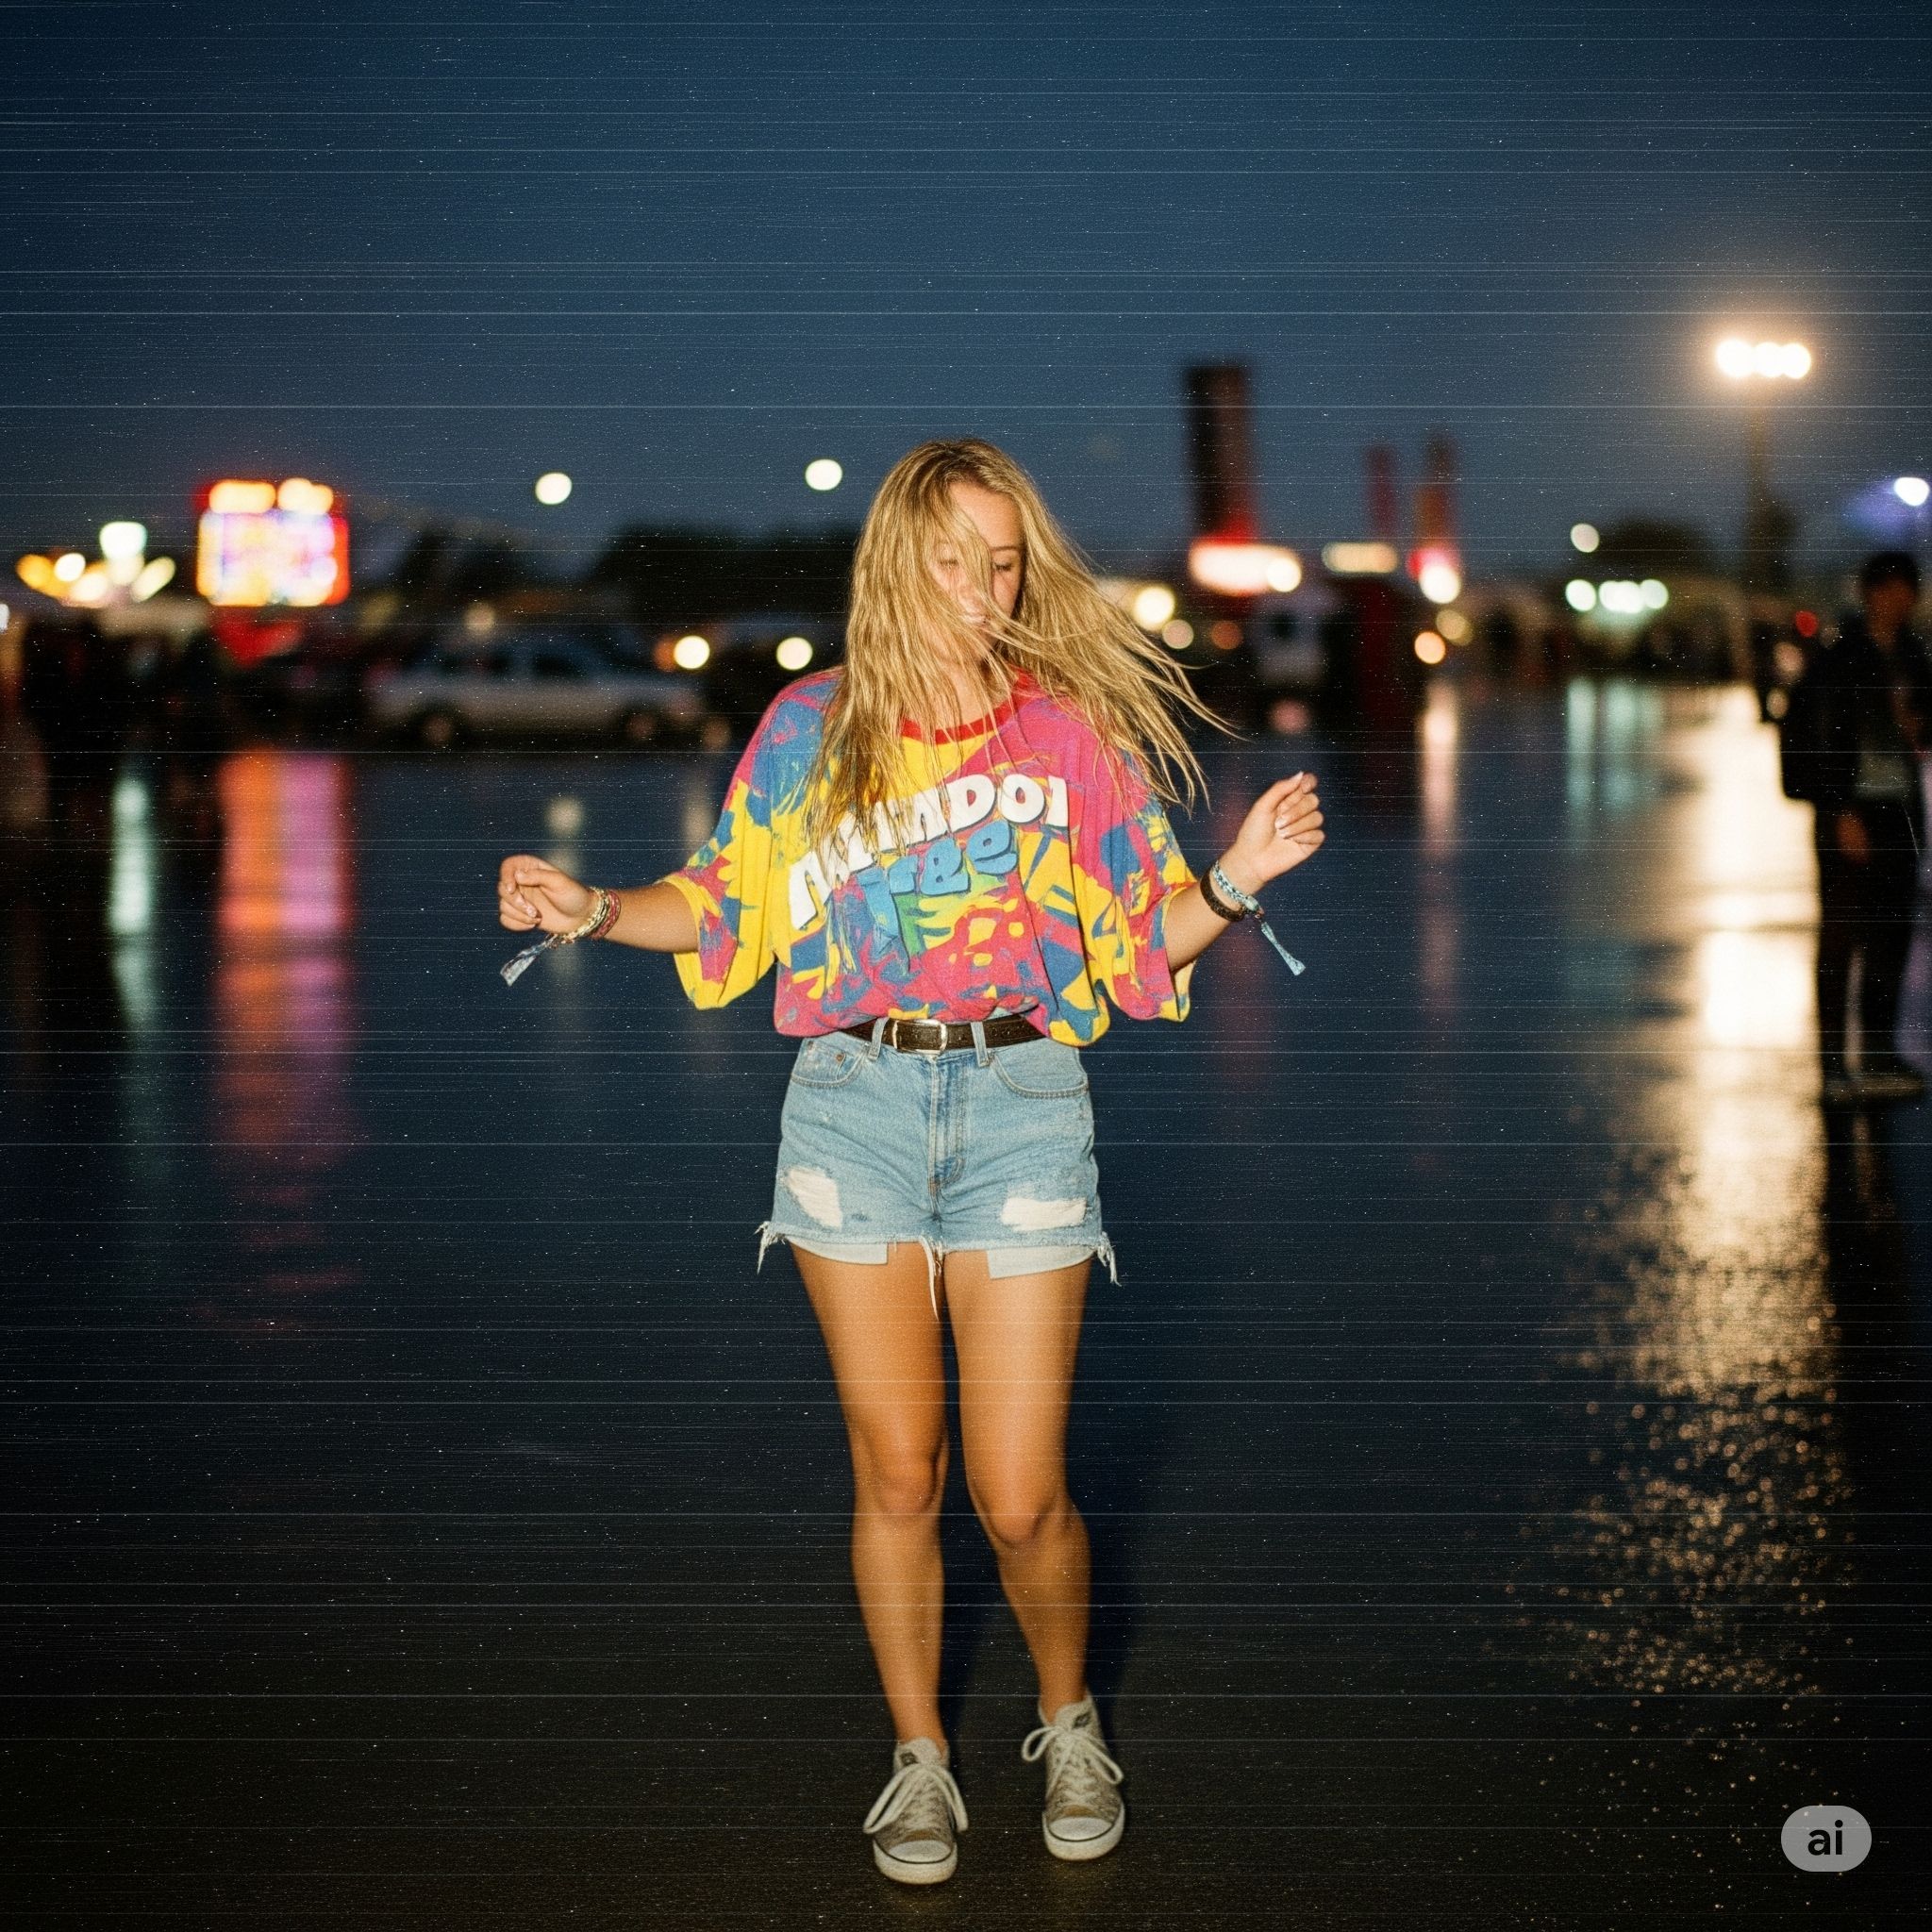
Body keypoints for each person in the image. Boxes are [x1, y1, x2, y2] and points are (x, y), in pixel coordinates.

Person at [493, 440, 1325, 1884]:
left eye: (1002, 562)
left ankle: (1068, 1719)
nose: (981, 589)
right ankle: (920, 1756)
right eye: (952, 559)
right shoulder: (808, 729)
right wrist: (595, 909)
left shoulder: (1063, 731)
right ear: (895, 563)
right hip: (850, 1109)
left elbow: (1141, 947)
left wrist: (1237, 879)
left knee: (1020, 1494)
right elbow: (726, 906)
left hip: (1022, 1101)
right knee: (896, 1473)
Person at [1780, 550, 1932, 1105]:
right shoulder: (1839, 657)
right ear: (1870, 592)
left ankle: (1878, 1054)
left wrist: (1918, 723)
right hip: (1850, 810)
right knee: (1841, 938)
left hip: (1899, 809)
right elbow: (1813, 734)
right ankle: (1832, 1066)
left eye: (1907, 589)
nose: (1900, 599)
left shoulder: (1913, 655)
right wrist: (1838, 809)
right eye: (1890, 588)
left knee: (1891, 935)